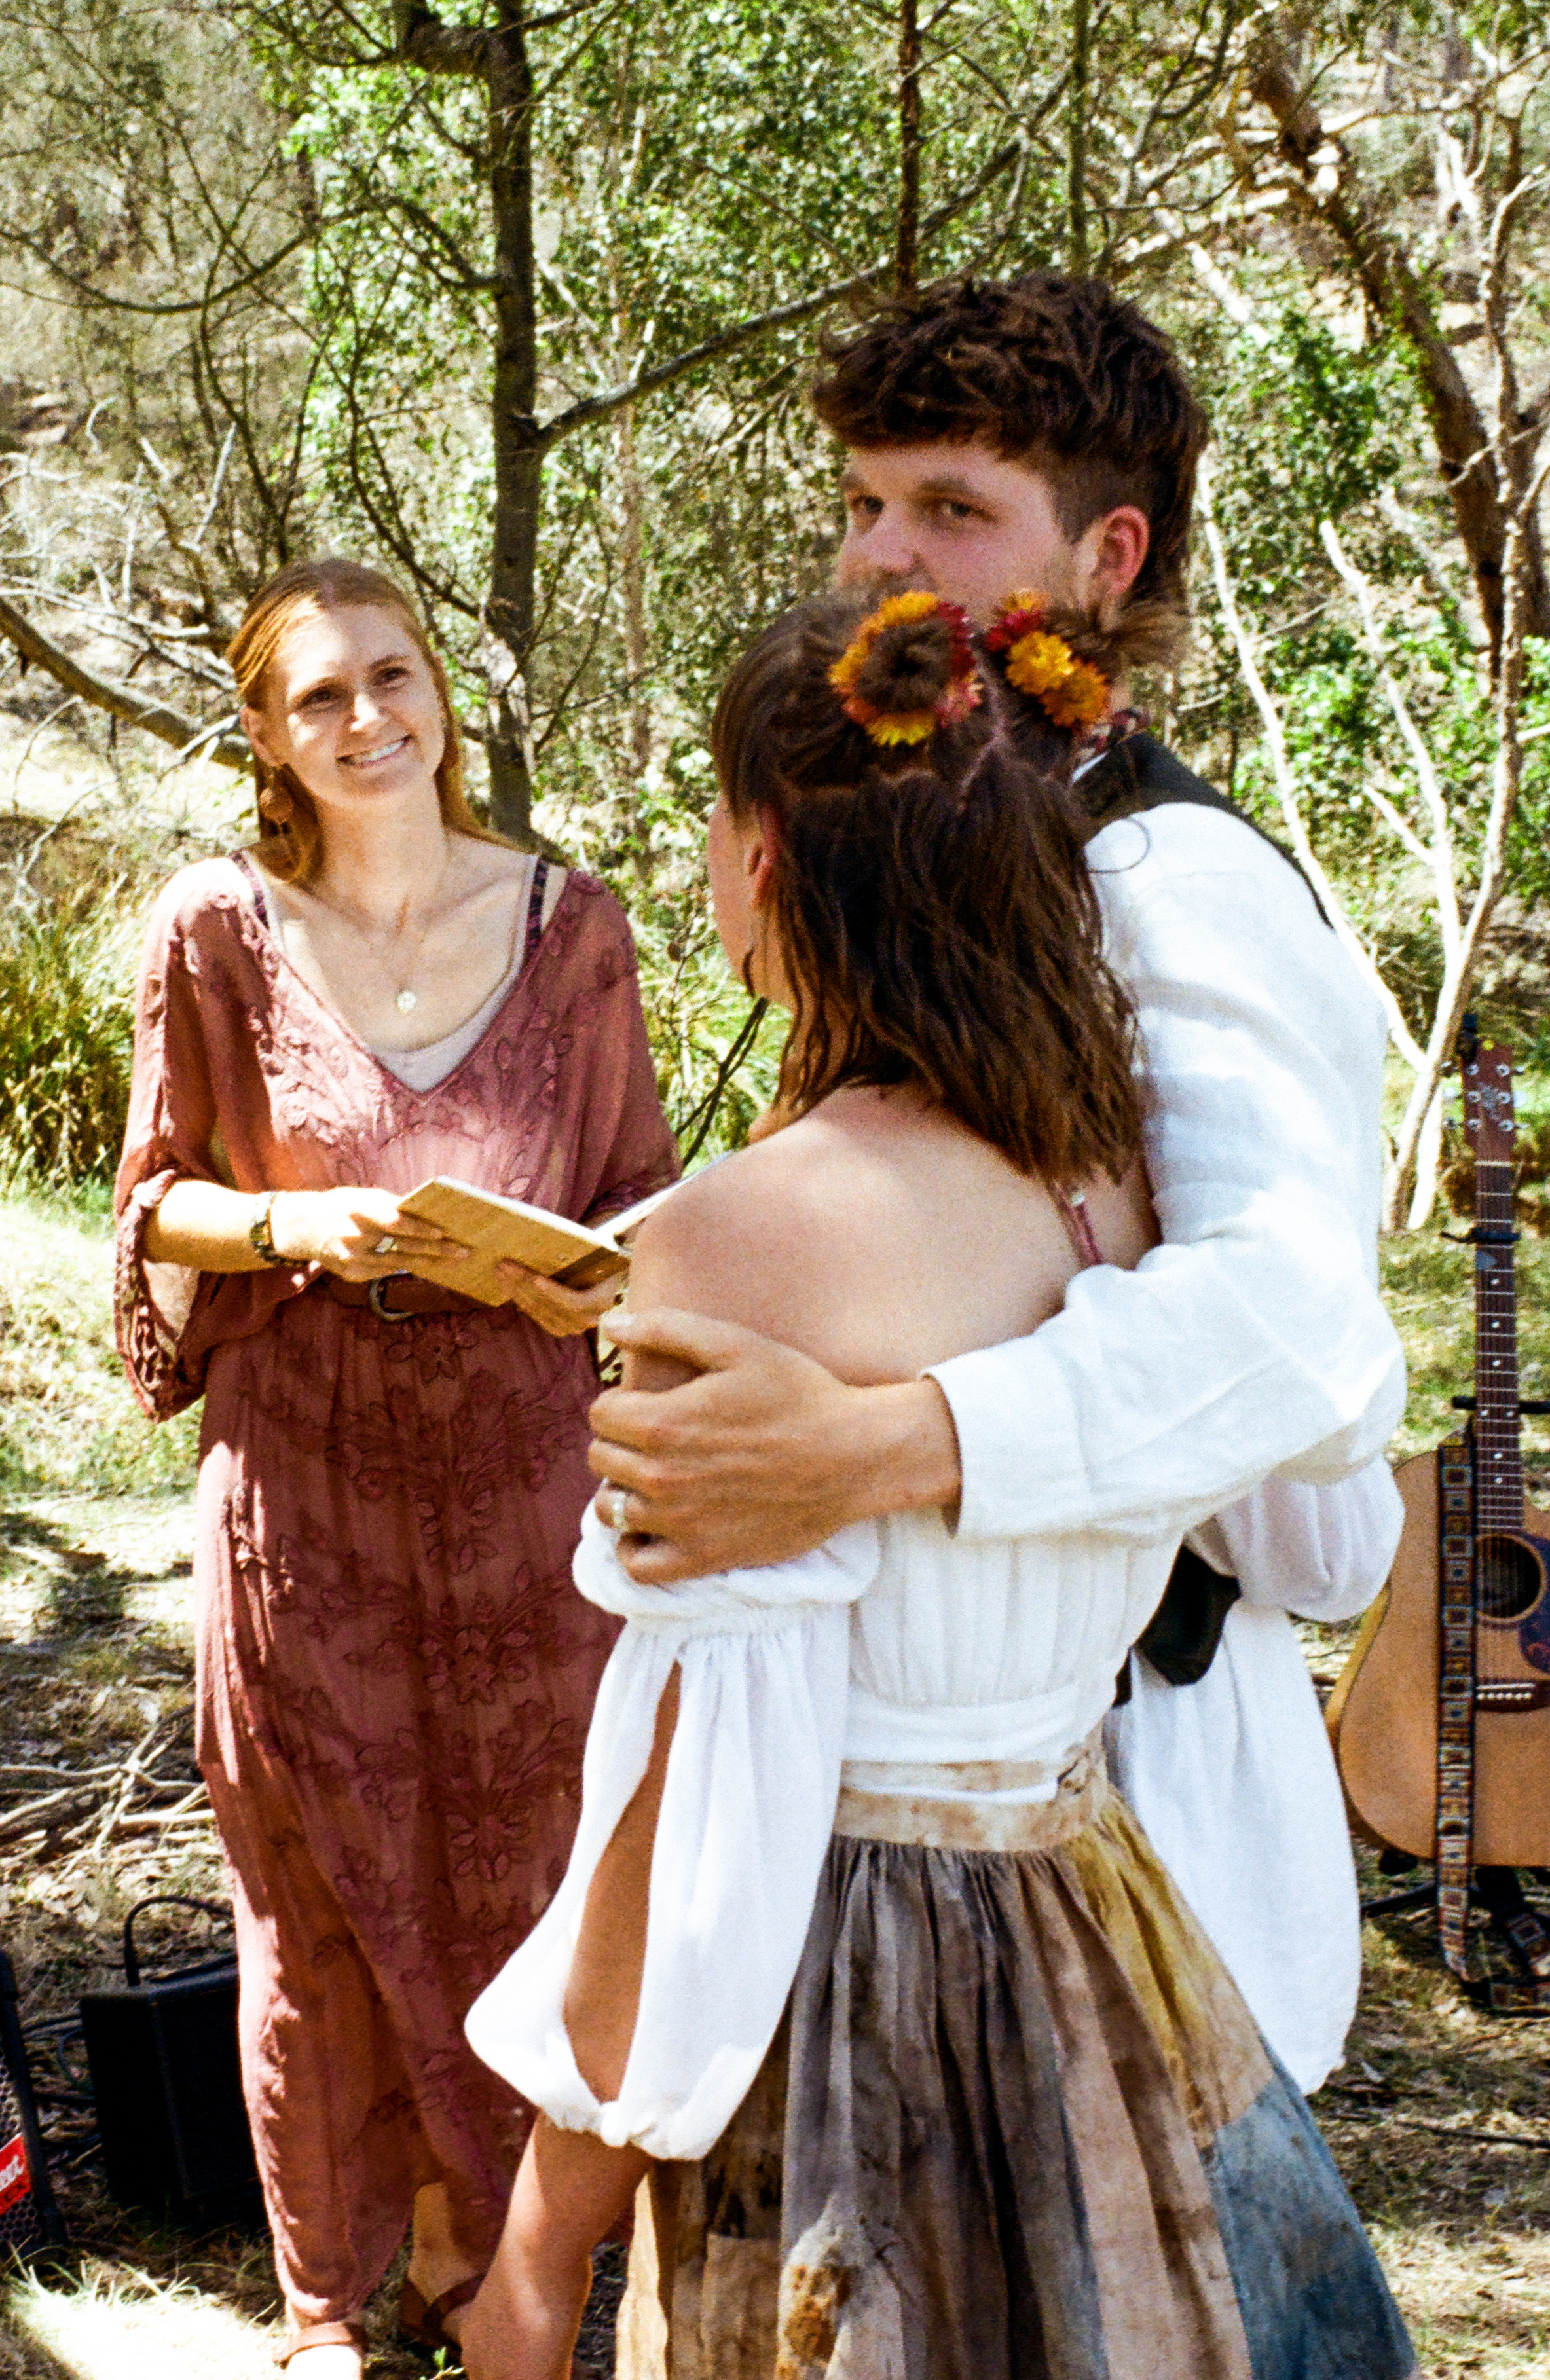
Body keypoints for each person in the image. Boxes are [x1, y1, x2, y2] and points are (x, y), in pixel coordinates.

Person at [452, 585, 1418, 2380]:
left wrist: (534, 2250)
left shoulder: (743, 1237)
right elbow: (1324, 1518)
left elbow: (697, 1825)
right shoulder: (1112, 1194)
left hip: (856, 2010)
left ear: (760, 865)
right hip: (1096, 1934)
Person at [590, 274, 1407, 2092]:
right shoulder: (940, 850)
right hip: (883, 1823)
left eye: (952, 510)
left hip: (1124, 1806)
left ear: (1107, 558)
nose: (883, 559)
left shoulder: (1174, 880)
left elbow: (1297, 1332)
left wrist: (871, 1446)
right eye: (865, 503)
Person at [110, 557, 678, 2376]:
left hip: (531, 1493)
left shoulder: (575, 925)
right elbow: (153, 1214)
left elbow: (644, 1190)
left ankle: (493, 2260)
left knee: (533, 1869)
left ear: (443, 690)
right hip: (309, 1490)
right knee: (323, 1896)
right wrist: (299, 1227)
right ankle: (323, 2304)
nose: (369, 720)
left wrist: (598, 1261)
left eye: (394, 677)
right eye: (321, 698)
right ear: (268, 738)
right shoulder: (218, 928)